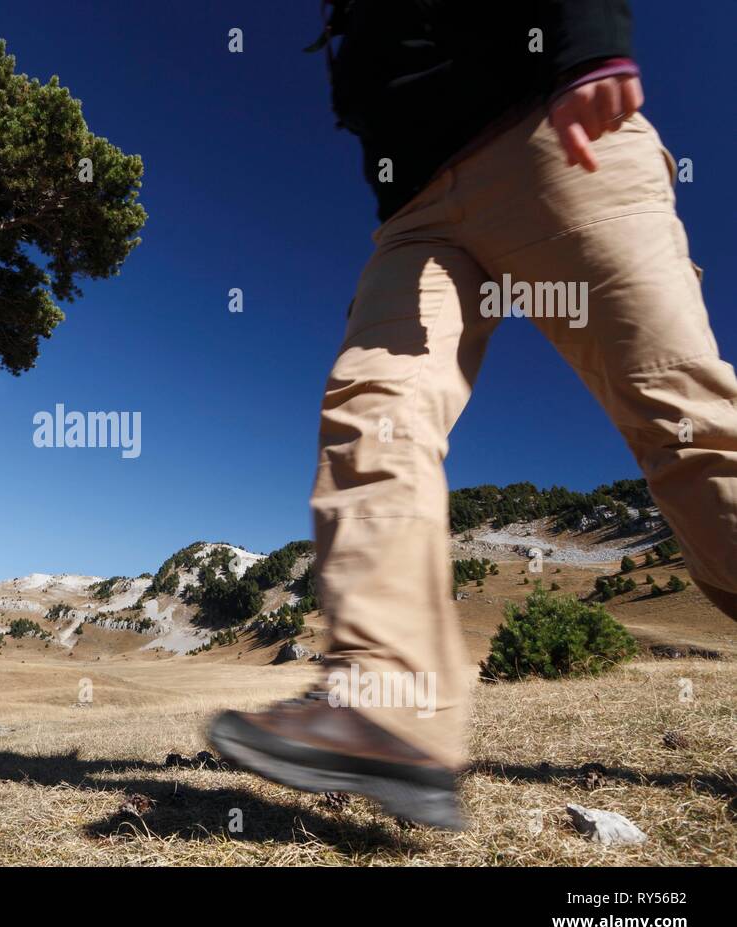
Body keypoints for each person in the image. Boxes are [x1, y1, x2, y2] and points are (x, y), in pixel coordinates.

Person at [209, 0, 737, 830]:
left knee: (679, 413)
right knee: (371, 409)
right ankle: (386, 704)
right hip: (418, 221)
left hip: (551, 137)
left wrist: (590, 43)